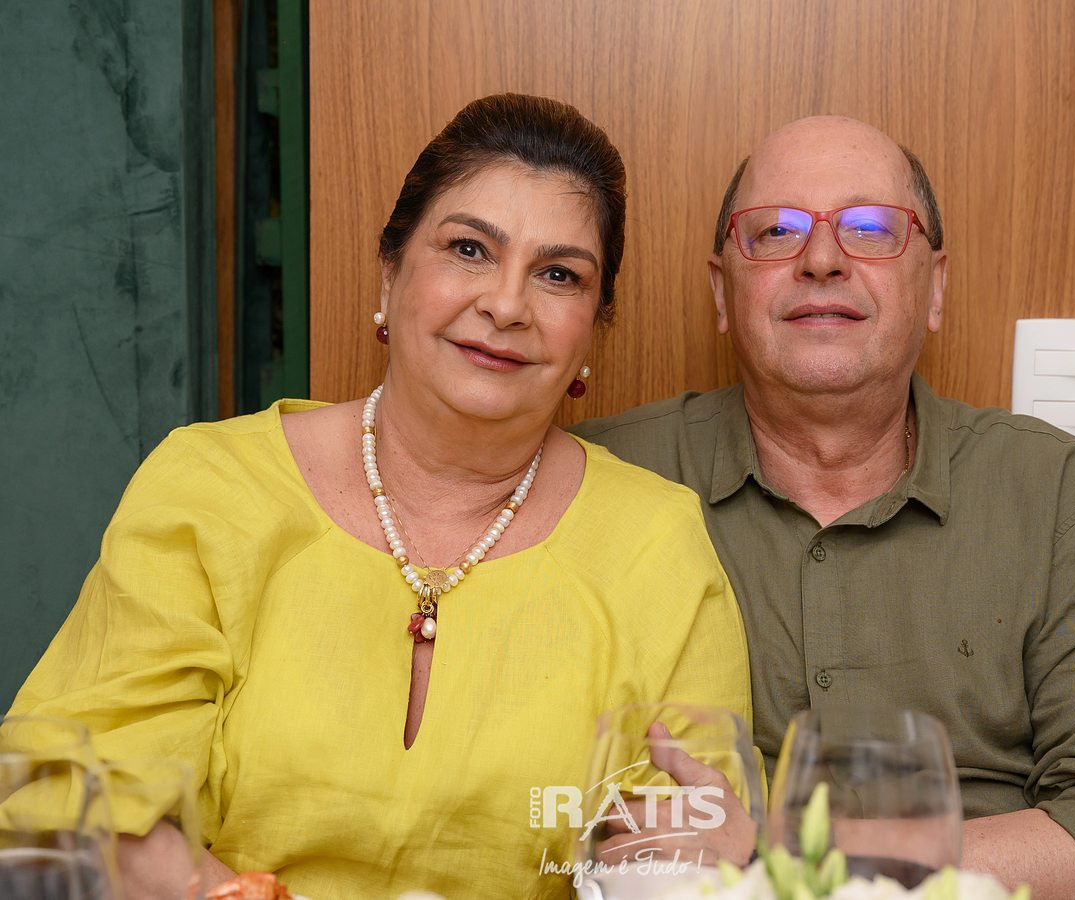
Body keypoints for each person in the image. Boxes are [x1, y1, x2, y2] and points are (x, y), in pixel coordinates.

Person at [7, 93, 752, 899]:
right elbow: (77, 799)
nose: (506, 305)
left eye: (559, 275)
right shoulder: (211, 488)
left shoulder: (654, 543)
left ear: (592, 330)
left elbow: (679, 848)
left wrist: (682, 861)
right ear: (390, 274)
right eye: (469, 249)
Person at [573, 115, 1075, 899]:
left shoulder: (1054, 495)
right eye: (776, 231)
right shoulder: (598, 480)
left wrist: (785, 855)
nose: (821, 259)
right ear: (722, 289)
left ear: (935, 287)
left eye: (871, 228)